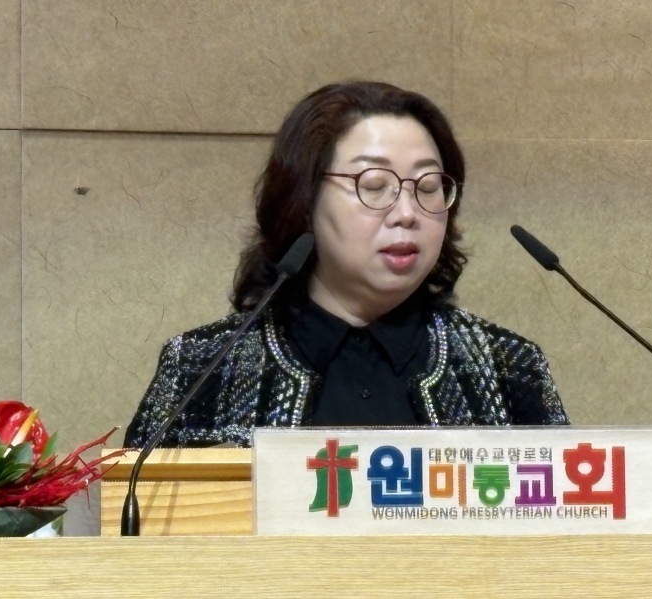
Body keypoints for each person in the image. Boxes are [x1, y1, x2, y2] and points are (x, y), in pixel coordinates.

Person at [124, 81, 569, 449]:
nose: (407, 213)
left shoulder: (508, 366)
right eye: (374, 185)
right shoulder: (202, 367)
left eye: (428, 187)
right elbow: (133, 517)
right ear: (303, 201)